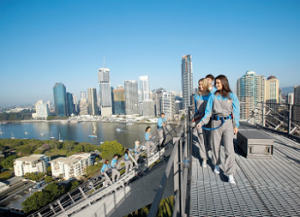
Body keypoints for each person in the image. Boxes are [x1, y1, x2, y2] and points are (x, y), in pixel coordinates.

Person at [197, 75, 240, 184]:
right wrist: (201, 122)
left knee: (229, 149)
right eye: (216, 83)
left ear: (224, 83)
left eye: (219, 83)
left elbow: (236, 112)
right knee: (215, 146)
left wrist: (236, 125)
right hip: (215, 122)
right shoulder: (213, 96)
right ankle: (216, 163)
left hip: (228, 124)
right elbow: (208, 112)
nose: (216, 85)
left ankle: (230, 174)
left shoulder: (232, 96)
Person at [192, 78, 211, 168]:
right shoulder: (196, 96)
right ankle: (204, 158)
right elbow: (195, 108)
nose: (200, 86)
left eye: (201, 84)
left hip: (209, 119)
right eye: (199, 84)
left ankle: (206, 151)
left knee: (208, 139)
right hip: (199, 119)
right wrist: (194, 118)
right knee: (201, 138)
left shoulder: (211, 95)